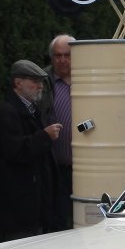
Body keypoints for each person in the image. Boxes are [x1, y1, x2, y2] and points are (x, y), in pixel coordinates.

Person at [0, 60, 62, 241]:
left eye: (41, 82)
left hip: (33, 206)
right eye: (35, 81)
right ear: (18, 83)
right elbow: (15, 151)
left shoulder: (31, 110)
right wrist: (44, 136)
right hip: (19, 208)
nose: (40, 86)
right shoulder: (8, 113)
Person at [42, 34, 75, 230]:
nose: (62, 60)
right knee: (59, 224)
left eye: (67, 55)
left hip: (87, 168)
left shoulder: (90, 78)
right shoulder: (44, 83)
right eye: (57, 55)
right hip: (57, 169)